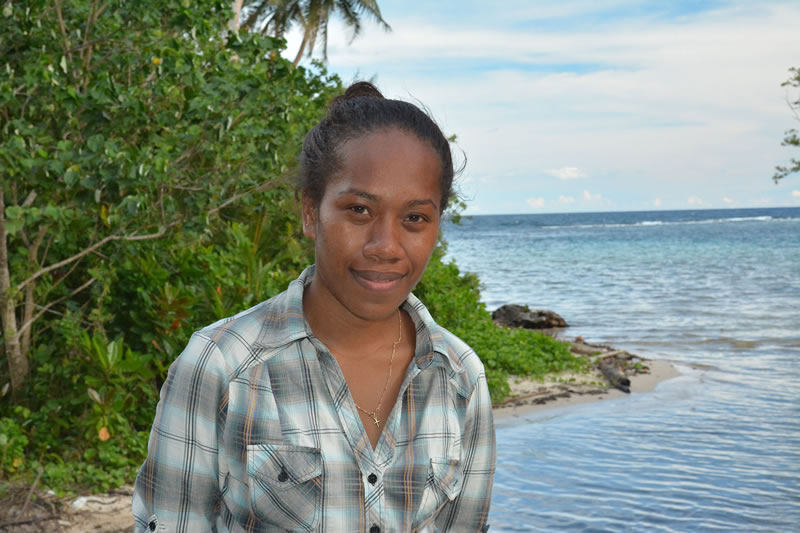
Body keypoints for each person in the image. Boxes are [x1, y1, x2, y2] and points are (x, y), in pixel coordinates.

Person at [132, 81, 495, 532]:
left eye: (415, 218)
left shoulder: (459, 376)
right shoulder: (221, 366)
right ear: (310, 212)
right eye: (359, 210)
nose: (386, 246)